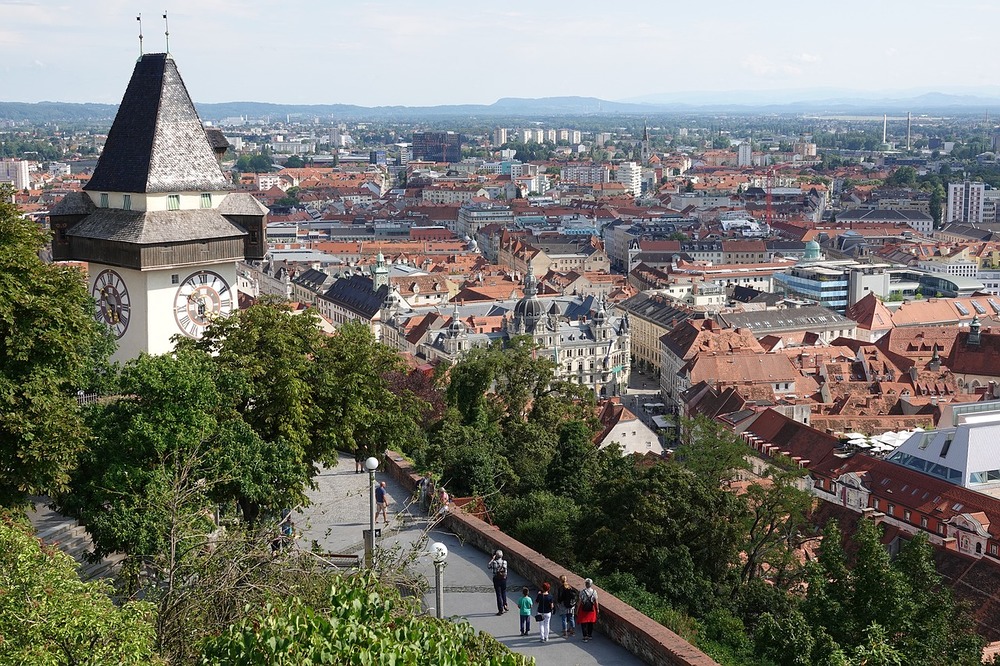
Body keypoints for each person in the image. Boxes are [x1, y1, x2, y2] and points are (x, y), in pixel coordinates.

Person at [576, 578, 599, 642]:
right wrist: (597, 609)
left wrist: (577, 610)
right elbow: (596, 602)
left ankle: (585, 636)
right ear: (591, 584)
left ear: (585, 584)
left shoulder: (582, 592)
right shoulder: (594, 592)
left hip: (583, 609)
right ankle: (590, 635)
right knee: (590, 622)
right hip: (591, 609)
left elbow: (579, 602)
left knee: (583, 623)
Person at [487, 549, 509, 615]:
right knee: (504, 592)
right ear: (502, 555)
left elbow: (488, 566)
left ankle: (500, 610)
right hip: (504, 579)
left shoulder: (494, 562)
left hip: (496, 579)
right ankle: (505, 604)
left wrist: (492, 559)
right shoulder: (505, 562)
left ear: (496, 556)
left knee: (498, 594)